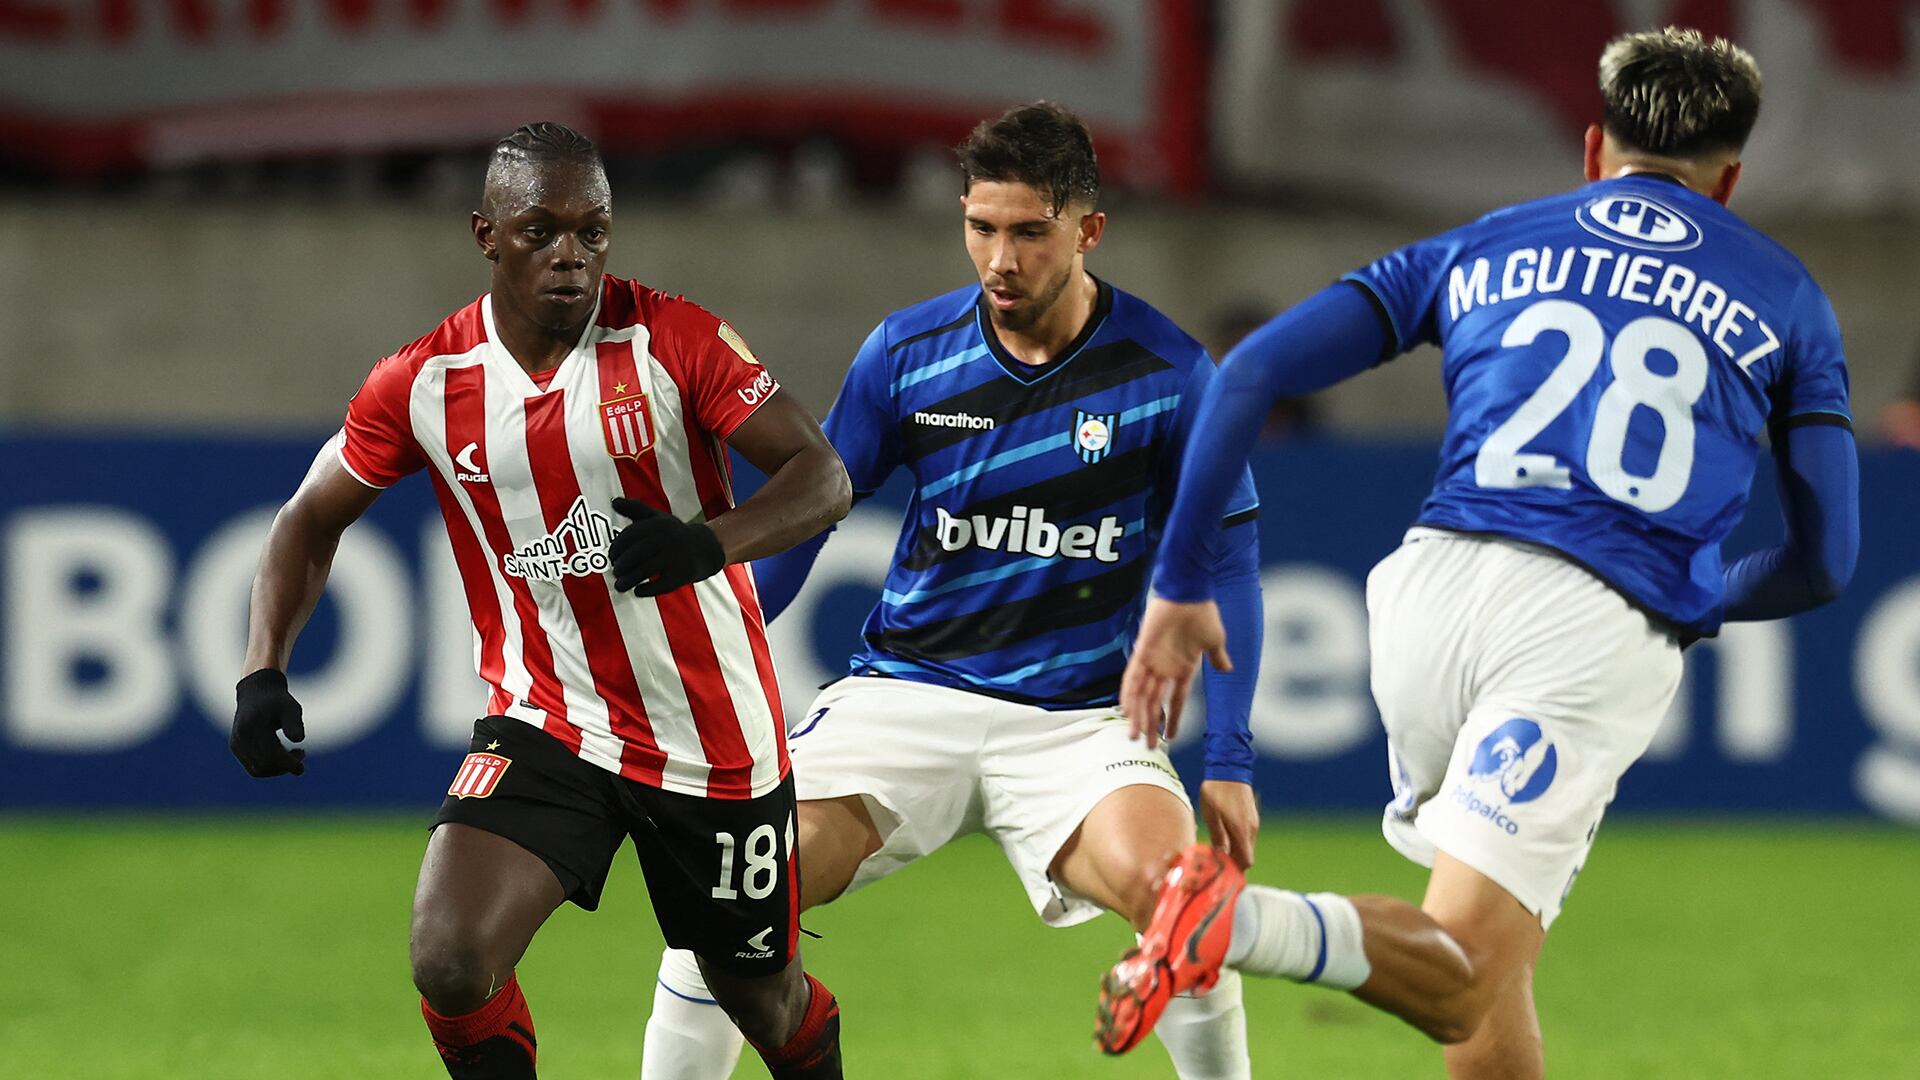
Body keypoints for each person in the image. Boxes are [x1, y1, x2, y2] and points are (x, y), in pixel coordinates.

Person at [1099, 28, 1860, 1079]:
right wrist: (1701, 594)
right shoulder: (1787, 297)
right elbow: (1828, 560)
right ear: (1729, 180)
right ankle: (1229, 924)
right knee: (1459, 968)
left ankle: (1227, 923)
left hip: (1428, 592)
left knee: (1493, 980)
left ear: (1594, 149)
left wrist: (1180, 581)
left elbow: (1249, 373)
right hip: (1590, 623)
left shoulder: (1484, 244)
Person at [640, 102, 1265, 1080]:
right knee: (732, 892)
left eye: (1028, 231)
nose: (999, 258)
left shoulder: (1172, 375)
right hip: (908, 695)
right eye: (981, 228)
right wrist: (718, 660)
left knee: (1184, 898)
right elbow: (807, 521)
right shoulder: (907, 354)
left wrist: (1228, 754)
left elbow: (1228, 565)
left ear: (1088, 230)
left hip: (1078, 719)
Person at [227, 122, 854, 1080]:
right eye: (541, 232)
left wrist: (705, 543)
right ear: (486, 235)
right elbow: (308, 520)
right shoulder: (425, 383)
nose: (572, 256)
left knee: (764, 1002)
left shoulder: (673, 339)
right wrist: (261, 669)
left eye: (592, 232)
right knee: (451, 955)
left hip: (710, 735)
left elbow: (823, 476)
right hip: (547, 718)